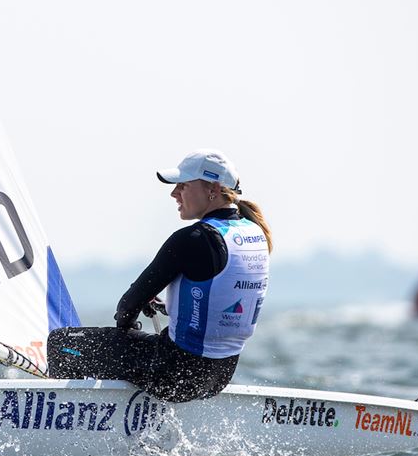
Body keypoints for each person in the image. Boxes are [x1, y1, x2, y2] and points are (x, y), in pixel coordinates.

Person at [47, 149, 272, 402]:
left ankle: (75, 425)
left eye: (183, 185)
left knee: (62, 343)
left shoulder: (193, 239)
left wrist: (125, 330)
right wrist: (169, 307)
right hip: (220, 375)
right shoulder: (254, 235)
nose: (174, 193)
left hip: (173, 374)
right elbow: (220, 303)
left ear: (213, 189)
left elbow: (127, 306)